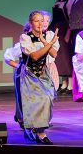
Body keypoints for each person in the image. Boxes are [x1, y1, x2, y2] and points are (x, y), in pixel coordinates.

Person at [19, 11, 58, 144]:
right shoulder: (25, 37)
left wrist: (44, 41)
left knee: (47, 98)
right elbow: (34, 56)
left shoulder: (47, 36)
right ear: (31, 23)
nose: (40, 23)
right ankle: (39, 132)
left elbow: (54, 54)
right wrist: (47, 44)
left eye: (42, 20)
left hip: (43, 72)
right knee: (33, 102)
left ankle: (36, 129)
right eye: (37, 21)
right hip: (29, 73)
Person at [52, 0, 74, 95]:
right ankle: (64, 83)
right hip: (57, 31)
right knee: (60, 58)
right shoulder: (58, 1)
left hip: (65, 31)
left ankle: (70, 84)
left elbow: (71, 19)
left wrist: (68, 33)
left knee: (67, 56)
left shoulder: (71, 1)